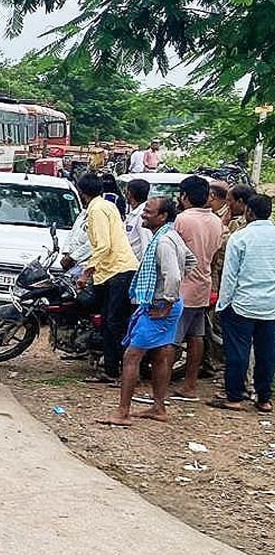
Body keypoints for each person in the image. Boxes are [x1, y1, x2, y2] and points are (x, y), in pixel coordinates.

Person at [97, 197, 191, 425]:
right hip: (164, 304)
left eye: (148, 212)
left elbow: (176, 275)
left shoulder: (164, 242)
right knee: (161, 355)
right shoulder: (170, 236)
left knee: (131, 356)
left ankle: (123, 412)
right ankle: (158, 408)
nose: (143, 215)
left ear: (163, 216)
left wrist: (167, 301)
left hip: (160, 307)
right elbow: (190, 261)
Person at [210, 194, 275, 414]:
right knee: (267, 353)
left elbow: (230, 275)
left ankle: (234, 397)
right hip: (270, 306)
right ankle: (264, 398)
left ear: (249, 212)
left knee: (238, 352)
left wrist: (223, 303)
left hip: (241, 304)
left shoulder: (241, 237)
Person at [75, 173, 140, 384]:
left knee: (113, 323)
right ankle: (110, 368)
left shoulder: (96, 210)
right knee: (109, 321)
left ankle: (117, 371)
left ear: (81, 193)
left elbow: (103, 245)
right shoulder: (107, 204)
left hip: (116, 271)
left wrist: (86, 272)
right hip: (114, 270)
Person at [172, 174, 224, 400]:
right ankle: (190, 384)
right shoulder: (216, 221)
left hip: (183, 286)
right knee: (196, 336)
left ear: (184, 196)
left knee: (171, 339)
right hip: (204, 284)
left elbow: (174, 254)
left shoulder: (183, 219)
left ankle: (161, 385)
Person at [213, 185, 255, 294]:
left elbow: (224, 246)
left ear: (240, 202)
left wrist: (223, 225)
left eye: (229, 200)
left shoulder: (240, 224)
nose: (227, 204)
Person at [123, 178, 152, 260]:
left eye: (125, 191)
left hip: (136, 264)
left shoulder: (142, 215)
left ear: (129, 194)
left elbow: (146, 242)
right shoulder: (133, 212)